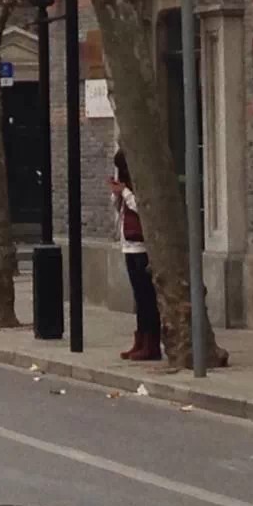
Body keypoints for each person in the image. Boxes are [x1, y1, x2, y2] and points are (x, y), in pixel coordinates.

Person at [109, 151, 162, 361]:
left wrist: (127, 193)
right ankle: (140, 340)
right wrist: (117, 194)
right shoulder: (127, 187)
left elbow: (143, 209)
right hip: (128, 246)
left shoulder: (141, 185)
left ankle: (151, 343)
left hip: (141, 247)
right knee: (139, 299)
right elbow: (120, 210)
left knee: (147, 298)